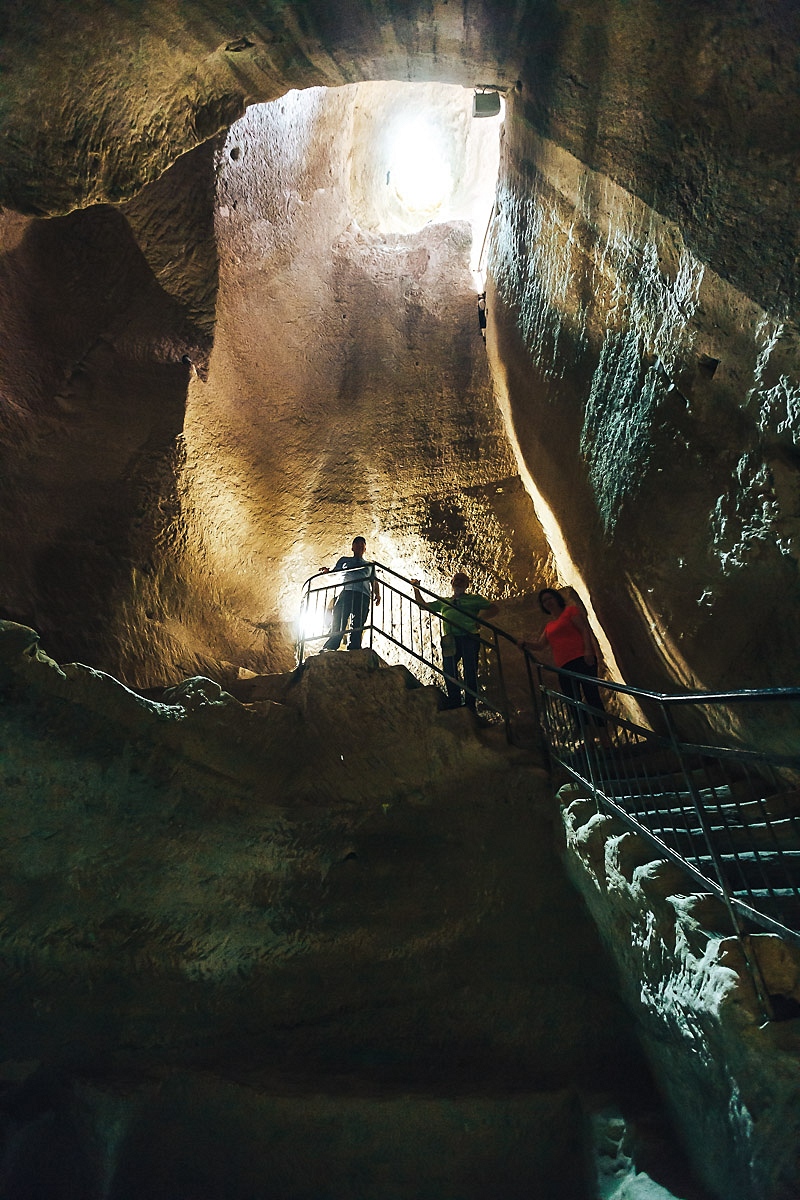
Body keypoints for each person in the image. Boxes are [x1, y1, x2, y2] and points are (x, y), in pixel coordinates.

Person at [518, 587, 607, 735]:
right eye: (544, 601)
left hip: (581, 658)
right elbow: (540, 645)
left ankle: (605, 738)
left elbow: (584, 630)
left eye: (549, 598)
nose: (547, 602)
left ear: (557, 598)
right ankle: (588, 740)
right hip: (564, 666)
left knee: (592, 696)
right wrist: (525, 643)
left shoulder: (570, 611)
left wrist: (588, 651)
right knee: (574, 702)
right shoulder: (549, 626)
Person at [411, 571, 498, 709]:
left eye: (462, 580)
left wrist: (480, 619)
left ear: (467, 585)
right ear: (451, 583)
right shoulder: (444, 601)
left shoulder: (475, 599)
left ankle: (470, 705)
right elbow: (423, 606)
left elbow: (494, 608)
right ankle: (454, 700)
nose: (458, 582)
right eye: (456, 579)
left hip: (469, 637)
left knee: (470, 670)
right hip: (451, 639)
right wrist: (416, 589)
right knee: (449, 670)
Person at [319, 537, 380, 651]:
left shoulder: (370, 565)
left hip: (363, 595)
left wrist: (377, 594)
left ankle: (354, 647)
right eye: (357, 544)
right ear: (352, 548)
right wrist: (327, 572)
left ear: (365, 549)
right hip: (347, 592)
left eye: (362, 545)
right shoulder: (344, 560)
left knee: (358, 623)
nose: (360, 547)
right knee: (339, 618)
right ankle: (331, 646)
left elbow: (374, 581)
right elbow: (334, 573)